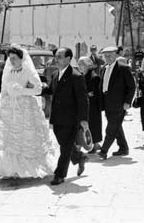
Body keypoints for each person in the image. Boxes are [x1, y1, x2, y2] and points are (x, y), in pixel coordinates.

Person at [0, 44, 56, 178]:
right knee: (4, 139)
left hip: (24, 105)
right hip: (8, 105)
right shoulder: (7, 70)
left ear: (21, 58)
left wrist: (22, 90)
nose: (12, 61)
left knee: (23, 139)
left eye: (15, 58)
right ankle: (8, 169)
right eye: (10, 58)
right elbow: (3, 89)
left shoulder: (28, 71)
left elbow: (38, 89)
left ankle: (23, 170)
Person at [48, 47, 89, 185]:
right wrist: (35, 88)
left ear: (68, 59)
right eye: (56, 56)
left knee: (65, 147)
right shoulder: (55, 74)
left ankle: (60, 174)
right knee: (65, 143)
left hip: (71, 118)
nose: (56, 59)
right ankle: (79, 157)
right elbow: (50, 89)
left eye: (59, 57)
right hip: (56, 118)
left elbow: (83, 100)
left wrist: (83, 119)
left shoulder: (76, 76)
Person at [98, 46, 135, 160]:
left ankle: (104, 150)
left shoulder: (123, 68)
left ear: (115, 55)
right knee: (116, 126)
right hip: (107, 102)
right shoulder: (104, 68)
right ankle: (123, 148)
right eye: (105, 56)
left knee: (111, 128)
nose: (107, 58)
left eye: (109, 55)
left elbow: (131, 86)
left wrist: (128, 102)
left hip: (119, 103)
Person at [77, 56, 102, 153]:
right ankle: (89, 143)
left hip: (93, 106)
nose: (79, 66)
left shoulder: (94, 77)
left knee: (94, 125)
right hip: (85, 105)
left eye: (81, 64)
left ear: (87, 65)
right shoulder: (82, 76)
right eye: (78, 64)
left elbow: (94, 93)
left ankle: (95, 144)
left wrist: (86, 94)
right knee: (86, 125)